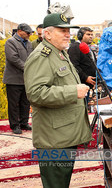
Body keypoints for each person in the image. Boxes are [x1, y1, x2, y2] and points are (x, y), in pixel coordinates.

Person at [24, 13, 92, 188]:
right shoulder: (42, 56)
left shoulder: (59, 52)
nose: (68, 34)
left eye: (68, 30)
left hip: (63, 134)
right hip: (53, 140)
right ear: (47, 34)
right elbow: (35, 93)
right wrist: (73, 91)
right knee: (56, 184)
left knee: (62, 182)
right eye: (62, 31)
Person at [3, 23, 33, 134]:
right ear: (19, 31)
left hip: (26, 79)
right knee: (14, 104)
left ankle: (24, 123)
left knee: (25, 102)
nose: (29, 34)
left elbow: (32, 58)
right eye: (27, 32)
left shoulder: (29, 43)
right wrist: (28, 68)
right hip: (13, 79)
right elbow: (13, 59)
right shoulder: (10, 42)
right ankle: (15, 125)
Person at [67, 27, 96, 91]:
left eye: (91, 35)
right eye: (88, 34)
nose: (91, 36)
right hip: (80, 86)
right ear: (80, 36)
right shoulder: (75, 47)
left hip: (88, 86)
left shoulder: (88, 48)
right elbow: (73, 66)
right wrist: (85, 78)